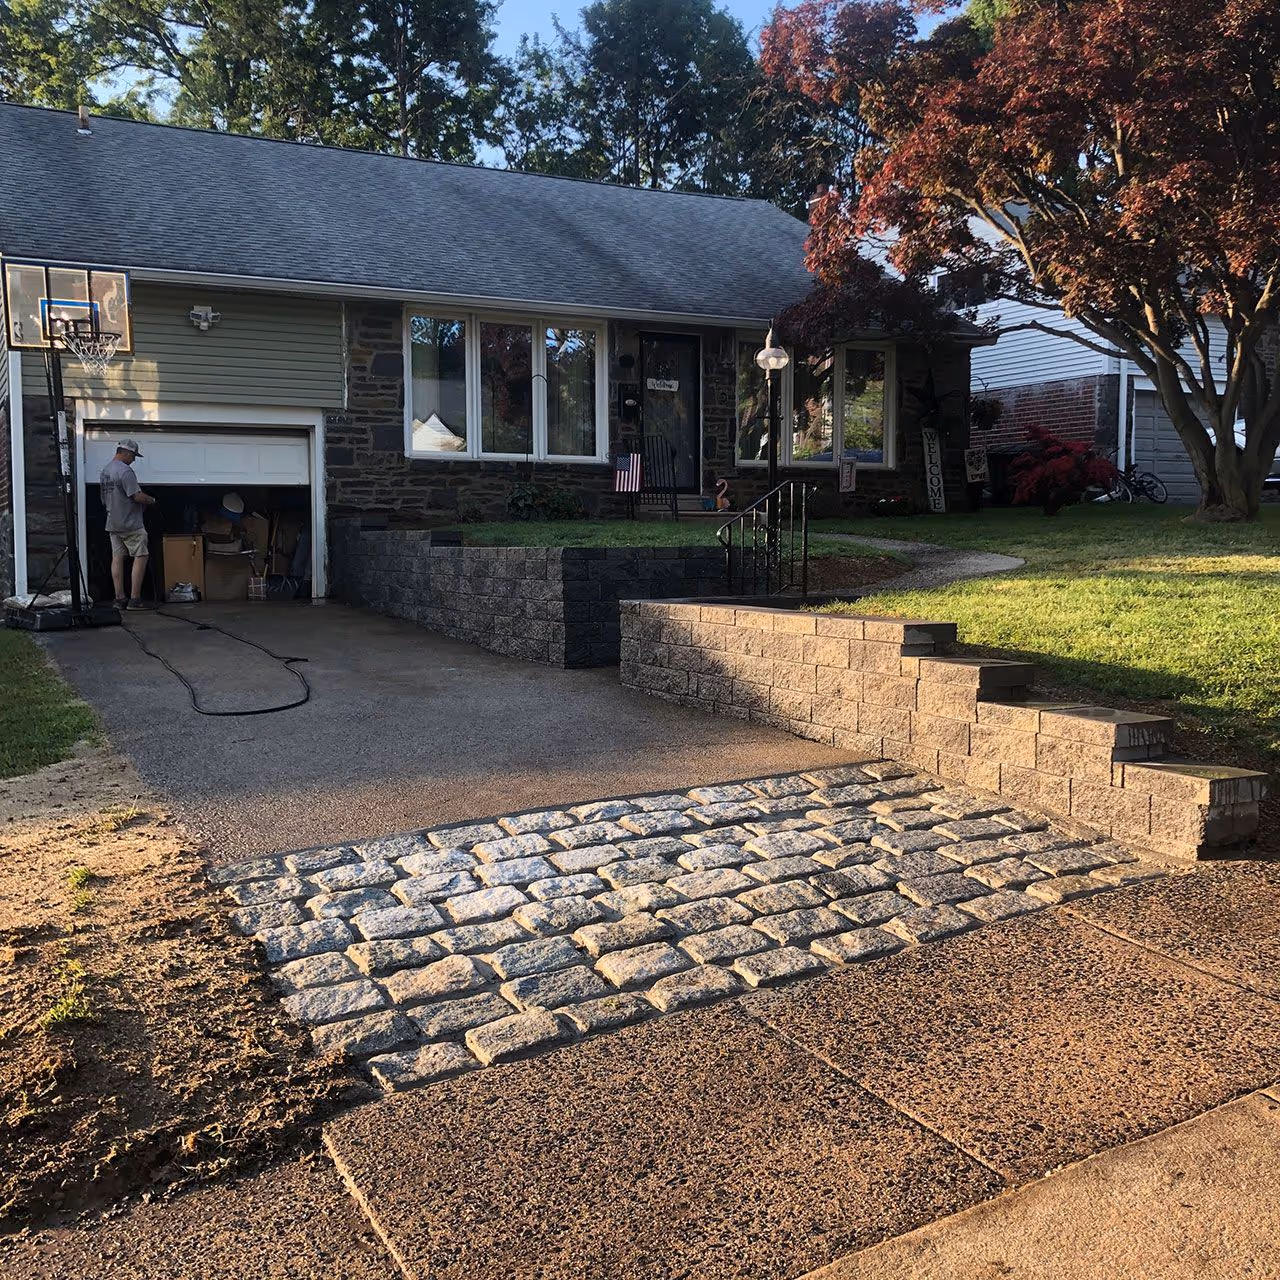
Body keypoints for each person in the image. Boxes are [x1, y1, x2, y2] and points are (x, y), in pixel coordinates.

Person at [99, 438, 156, 609]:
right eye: (133, 456)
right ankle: (135, 600)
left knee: (117, 557)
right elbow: (136, 496)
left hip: (112, 522)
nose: (134, 460)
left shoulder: (105, 471)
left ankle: (119, 599)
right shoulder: (125, 471)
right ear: (126, 453)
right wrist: (152, 500)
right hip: (131, 523)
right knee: (141, 555)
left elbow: (103, 499)